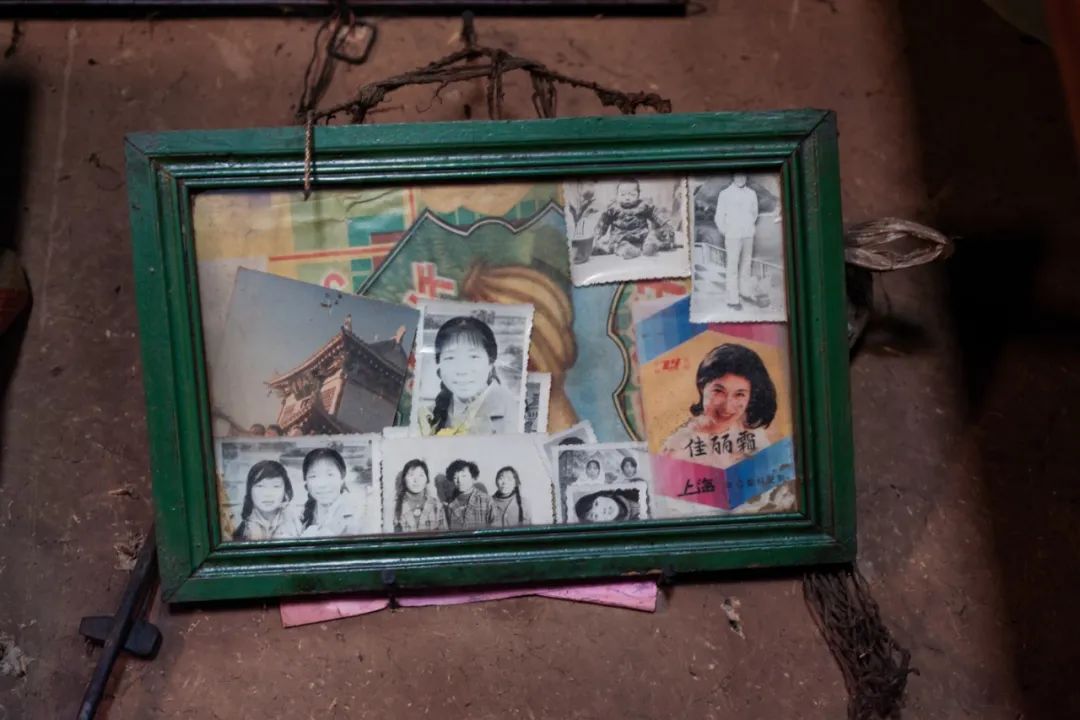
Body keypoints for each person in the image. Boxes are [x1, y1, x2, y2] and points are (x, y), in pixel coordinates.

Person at [661, 344, 777, 468]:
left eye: (740, 394)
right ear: (702, 387)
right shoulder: (678, 447)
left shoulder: (752, 434)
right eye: (718, 391)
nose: (727, 407)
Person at [419, 316, 515, 436]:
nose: (462, 370)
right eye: (450, 358)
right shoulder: (426, 416)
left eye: (473, 357)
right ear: (439, 365)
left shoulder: (512, 412)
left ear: (491, 362)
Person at [713, 174, 769, 310]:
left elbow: (754, 214)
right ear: (733, 177)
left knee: (746, 265)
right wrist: (726, 231)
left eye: (743, 175)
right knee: (732, 268)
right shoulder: (724, 194)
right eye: (738, 175)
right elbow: (719, 216)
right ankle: (732, 299)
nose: (741, 178)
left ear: (746, 177)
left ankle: (745, 292)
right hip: (732, 236)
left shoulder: (751, 193)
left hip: (748, 234)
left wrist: (748, 226)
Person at [593, 179, 675, 259]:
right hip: (620, 237)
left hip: (641, 235)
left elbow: (655, 213)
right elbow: (603, 222)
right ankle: (627, 251)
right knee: (616, 245)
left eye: (632, 195)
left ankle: (650, 246)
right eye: (622, 195)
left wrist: (665, 224)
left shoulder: (643, 205)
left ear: (638, 195)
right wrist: (597, 235)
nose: (627, 198)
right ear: (617, 195)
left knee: (652, 236)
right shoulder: (613, 208)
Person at [297, 447, 364, 537]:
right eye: (313, 476)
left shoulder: (358, 515)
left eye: (330, 475)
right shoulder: (301, 514)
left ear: (342, 478)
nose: (322, 484)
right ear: (306, 482)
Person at [232, 460, 298, 541]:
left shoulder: (297, 523)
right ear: (250, 490)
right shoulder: (243, 530)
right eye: (260, 486)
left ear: (285, 491)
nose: (268, 494)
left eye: (276, 486)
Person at [393, 459, 448, 533]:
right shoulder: (395, 506)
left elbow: (444, 537)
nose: (416, 480)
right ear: (404, 479)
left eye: (421, 475)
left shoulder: (437, 506)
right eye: (411, 475)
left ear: (427, 480)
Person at [444, 459, 494, 530]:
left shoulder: (486, 500)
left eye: (464, 476)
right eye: (455, 477)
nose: (459, 481)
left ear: (473, 478)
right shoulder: (448, 504)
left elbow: (495, 531)